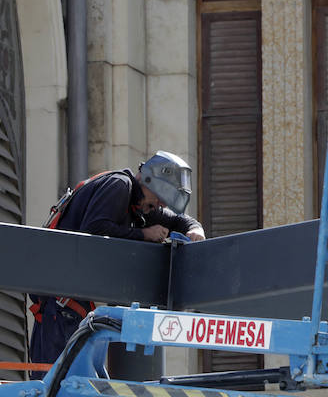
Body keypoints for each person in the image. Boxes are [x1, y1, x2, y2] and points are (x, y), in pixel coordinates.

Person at [29, 151, 206, 364]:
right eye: (158, 199)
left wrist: (195, 229)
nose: (158, 206)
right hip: (60, 302)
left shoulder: (137, 203)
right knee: (58, 381)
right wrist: (143, 234)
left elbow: (179, 221)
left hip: (68, 301)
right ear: (149, 182)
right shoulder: (119, 186)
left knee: (68, 378)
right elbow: (95, 229)